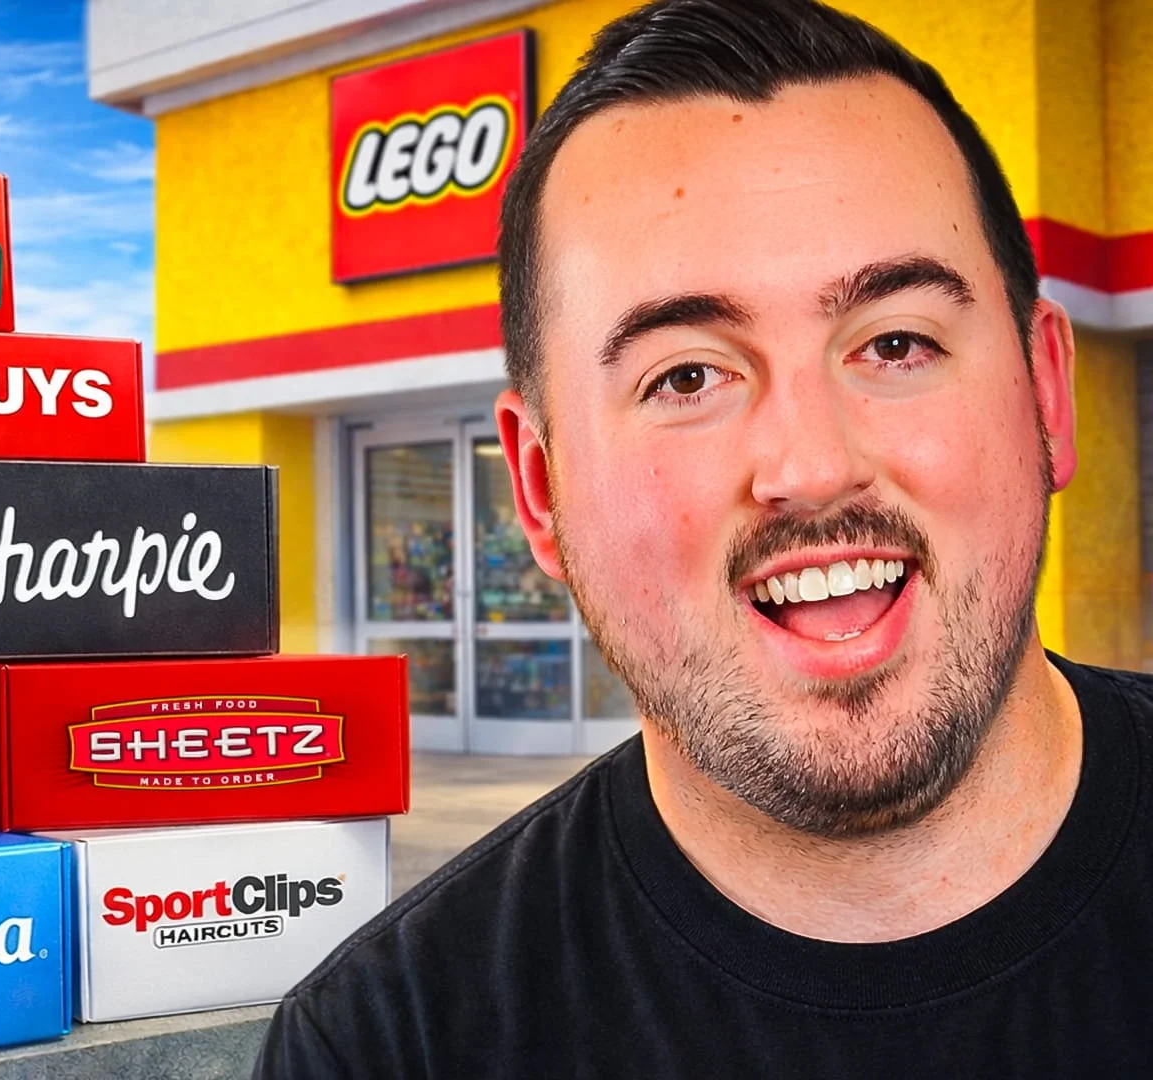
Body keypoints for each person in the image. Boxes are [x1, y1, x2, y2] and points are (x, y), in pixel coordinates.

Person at [255, 0, 1153, 1075]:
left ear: (1046, 394)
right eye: (687, 376)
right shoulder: (385, 1047)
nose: (813, 465)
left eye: (897, 343)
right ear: (539, 488)